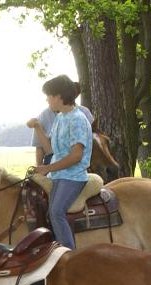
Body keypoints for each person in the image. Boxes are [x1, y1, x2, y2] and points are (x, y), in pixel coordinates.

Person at [26, 75, 93, 249]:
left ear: (58, 96)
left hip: (74, 176)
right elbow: (51, 150)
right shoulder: (60, 118)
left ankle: (68, 256)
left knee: (56, 212)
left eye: (48, 95)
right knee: (45, 210)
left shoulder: (77, 119)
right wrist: (38, 128)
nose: (47, 99)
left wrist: (48, 167)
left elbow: (76, 156)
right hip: (59, 175)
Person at [28, 83, 93, 166]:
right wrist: (40, 167)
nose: (47, 100)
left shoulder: (83, 114)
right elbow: (44, 149)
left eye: (49, 96)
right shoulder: (47, 116)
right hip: (54, 160)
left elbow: (89, 143)